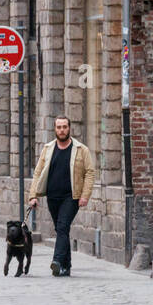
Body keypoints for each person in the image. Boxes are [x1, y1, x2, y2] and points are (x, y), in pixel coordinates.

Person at [27, 116, 96, 277]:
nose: (62, 130)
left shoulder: (81, 149)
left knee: (63, 226)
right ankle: (67, 266)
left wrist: (85, 195)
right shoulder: (48, 148)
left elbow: (90, 173)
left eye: (64, 127)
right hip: (52, 196)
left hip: (71, 196)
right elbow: (38, 172)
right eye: (59, 127)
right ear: (55, 129)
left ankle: (57, 261)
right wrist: (33, 196)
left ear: (69, 128)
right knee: (61, 229)